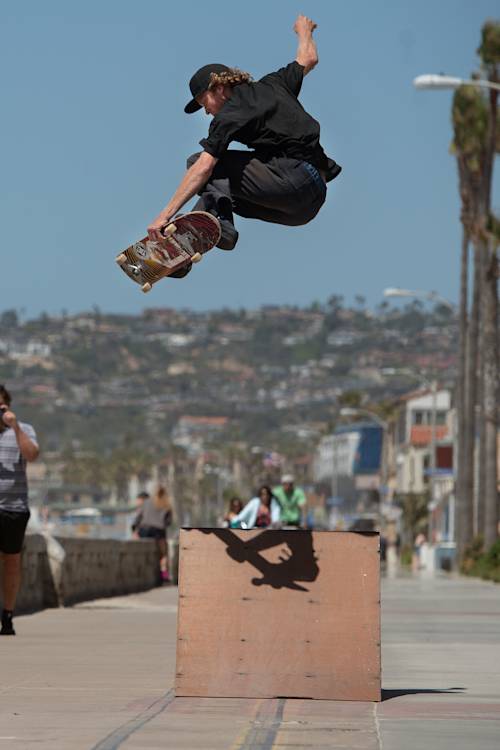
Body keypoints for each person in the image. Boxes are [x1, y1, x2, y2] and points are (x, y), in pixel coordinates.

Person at [147, 15, 341, 276]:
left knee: (198, 164)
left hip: (292, 180)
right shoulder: (276, 83)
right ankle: (183, 251)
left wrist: (165, 215)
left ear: (219, 88)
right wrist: (304, 31)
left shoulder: (230, 114)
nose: (207, 113)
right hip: (309, 203)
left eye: (205, 104)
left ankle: (214, 229)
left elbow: (204, 167)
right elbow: (308, 59)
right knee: (221, 195)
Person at [0, 385, 39, 635]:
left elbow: (32, 455)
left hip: (15, 508)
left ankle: (8, 616)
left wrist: (14, 428)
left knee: (12, 562)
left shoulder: (24, 430)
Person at [132, 486, 172, 584]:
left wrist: (134, 530)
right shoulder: (167, 504)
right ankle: (165, 576)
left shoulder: (146, 502)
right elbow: (168, 522)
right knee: (163, 555)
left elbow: (137, 518)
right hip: (158, 531)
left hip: (144, 530)